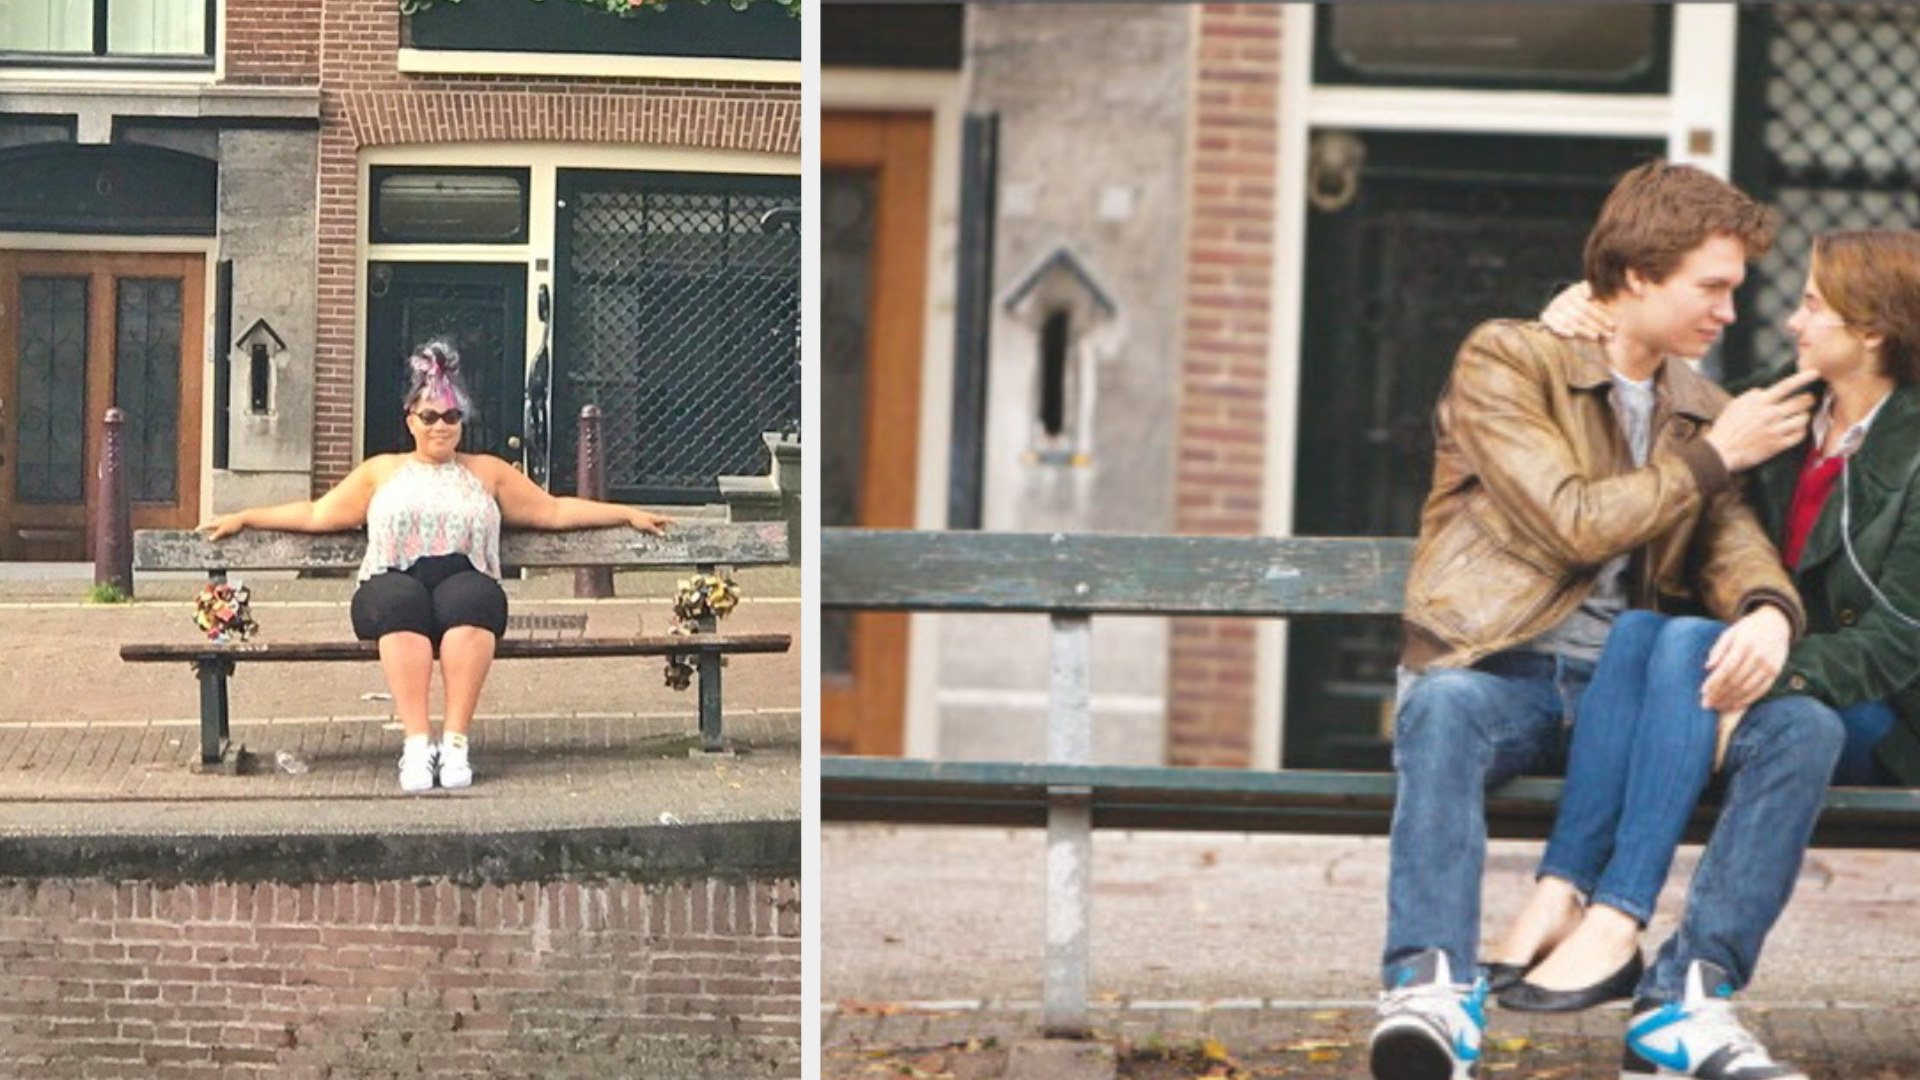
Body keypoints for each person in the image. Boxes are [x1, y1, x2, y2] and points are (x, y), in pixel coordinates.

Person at [1370, 160, 1844, 1080]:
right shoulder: (1509, 359)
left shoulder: (1703, 409)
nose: (1729, 313)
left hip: (1633, 698)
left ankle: (1685, 1005)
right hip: (1508, 676)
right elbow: (1571, 519)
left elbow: (1732, 544)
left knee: (1803, 729)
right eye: (1712, 287)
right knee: (1440, 708)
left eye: (1736, 290)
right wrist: (1712, 458)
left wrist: (1769, 611)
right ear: (1635, 276)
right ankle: (1430, 989)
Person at [1489, 231, 1920, 1035]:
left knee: (1696, 650)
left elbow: (1896, 641)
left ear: (1873, 332)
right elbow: (1657, 397)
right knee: (1646, 632)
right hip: (1768, 694)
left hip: (1879, 709)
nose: (1792, 322)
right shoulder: (1783, 402)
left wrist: (1769, 669)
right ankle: (1573, 902)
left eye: (1813, 306)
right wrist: (1584, 322)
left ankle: (1613, 916)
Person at [199, 341, 673, 793]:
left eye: (451, 416)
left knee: (473, 602)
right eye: (430, 416)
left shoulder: (487, 471)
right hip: (394, 576)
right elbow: (318, 514)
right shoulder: (381, 471)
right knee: (399, 606)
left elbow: (551, 512)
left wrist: (624, 513)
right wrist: (246, 516)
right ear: (411, 420)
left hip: (462, 575)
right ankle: (417, 743)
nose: (441, 426)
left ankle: (456, 744)